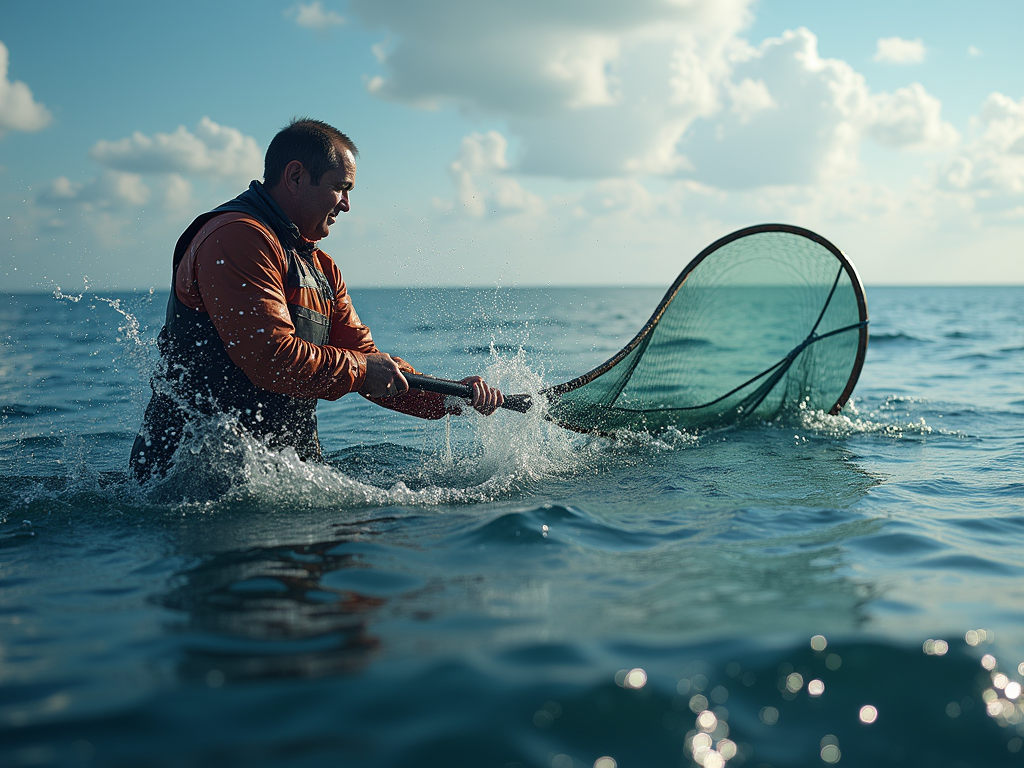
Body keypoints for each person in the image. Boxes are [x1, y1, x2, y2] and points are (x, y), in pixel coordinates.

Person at [130, 118, 503, 481]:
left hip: (281, 480)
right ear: (295, 177)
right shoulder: (236, 237)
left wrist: (452, 398)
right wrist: (361, 369)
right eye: (341, 188)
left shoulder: (323, 268)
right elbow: (271, 359)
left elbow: (372, 364)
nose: (346, 205)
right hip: (187, 483)